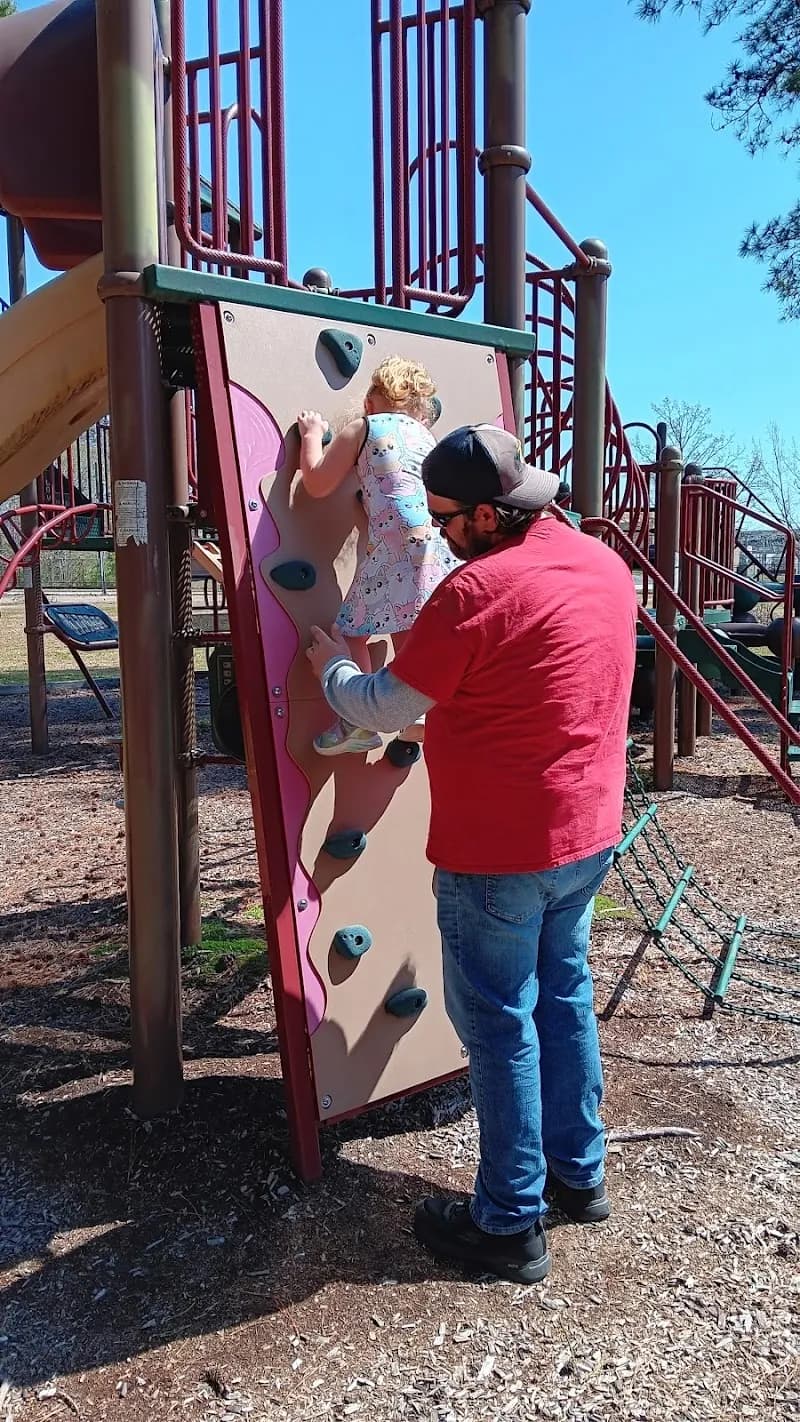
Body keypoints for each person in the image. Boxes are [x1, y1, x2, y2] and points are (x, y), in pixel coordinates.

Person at [306, 424, 637, 1286]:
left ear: (489, 515)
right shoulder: (605, 566)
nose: (438, 533)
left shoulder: (476, 592)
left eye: (445, 517)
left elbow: (383, 704)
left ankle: (508, 1222)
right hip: (588, 833)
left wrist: (333, 671)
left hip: (498, 850)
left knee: (498, 1025)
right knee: (563, 996)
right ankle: (579, 1175)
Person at [297, 356, 455, 755]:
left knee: (352, 631)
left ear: (370, 400)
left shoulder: (365, 426)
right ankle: (413, 714)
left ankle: (362, 721)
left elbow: (316, 483)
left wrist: (312, 435)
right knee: (406, 624)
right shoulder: (426, 437)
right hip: (437, 546)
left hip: (395, 546)